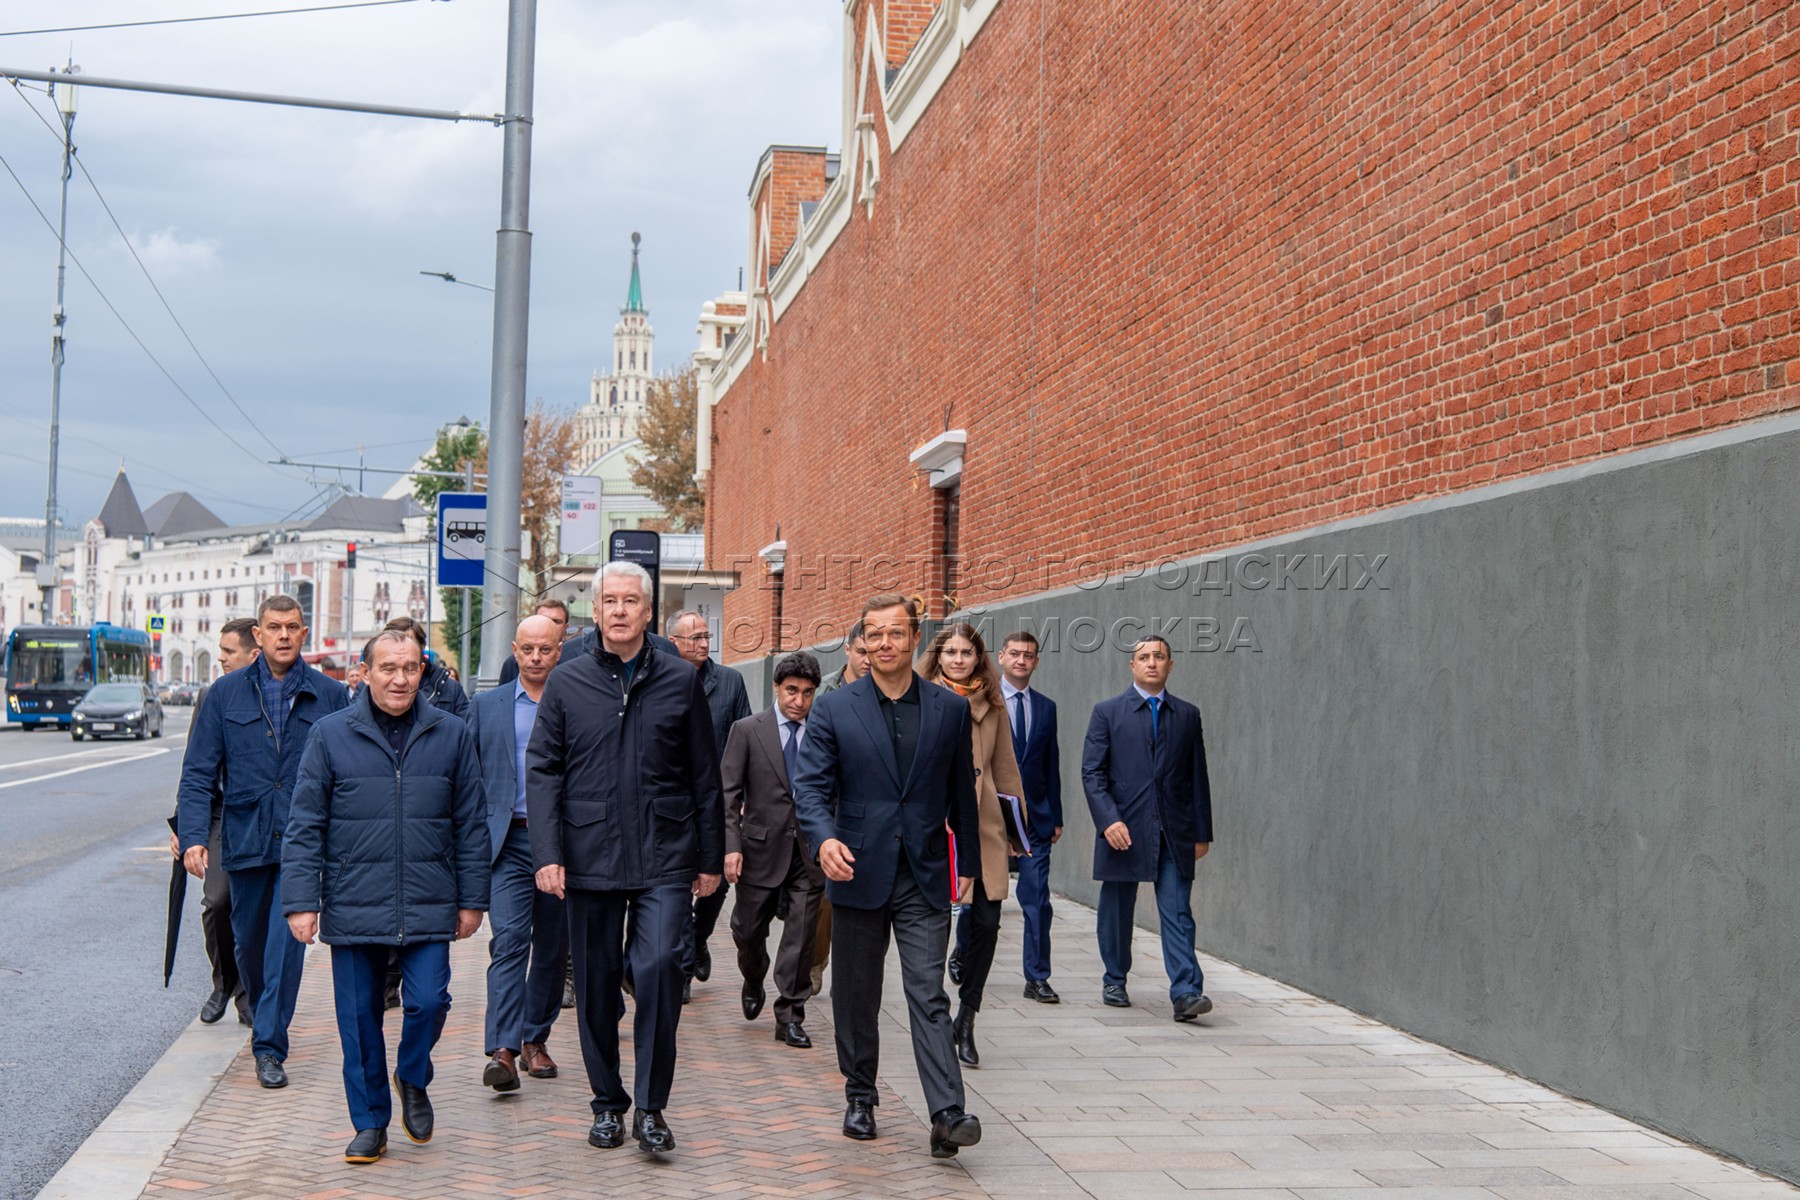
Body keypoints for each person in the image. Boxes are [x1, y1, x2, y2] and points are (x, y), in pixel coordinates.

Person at [526, 561, 724, 1155]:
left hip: (665, 850)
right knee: (595, 984)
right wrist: (547, 853)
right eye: (609, 600)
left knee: (662, 966)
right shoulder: (567, 681)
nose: (618, 610)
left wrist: (711, 856)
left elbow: (704, 776)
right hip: (589, 854)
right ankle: (608, 1103)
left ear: (647, 610)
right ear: (596, 609)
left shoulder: (679, 679)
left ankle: (652, 1108)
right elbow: (542, 770)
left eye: (629, 601)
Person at [282, 630, 488, 1164]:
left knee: (428, 1001)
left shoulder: (451, 733)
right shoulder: (330, 735)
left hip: (428, 895)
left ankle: (412, 1075)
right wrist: (302, 899)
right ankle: (370, 1123)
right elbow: (305, 823)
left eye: (410, 668)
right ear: (365, 672)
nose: (400, 679)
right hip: (353, 898)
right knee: (357, 1018)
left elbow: (470, 823)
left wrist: (473, 899)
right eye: (388, 668)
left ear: (424, 672)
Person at [792, 593, 984, 1159]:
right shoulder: (834, 708)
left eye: (894, 633)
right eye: (873, 634)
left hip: (924, 873)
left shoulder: (949, 710)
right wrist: (824, 838)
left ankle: (947, 1112)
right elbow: (810, 787)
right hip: (857, 869)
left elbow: (961, 799)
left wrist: (967, 867)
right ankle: (860, 1095)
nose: (883, 643)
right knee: (857, 994)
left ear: (915, 639)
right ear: (862, 643)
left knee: (928, 993)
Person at [177, 595, 350, 1089]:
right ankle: (256, 1007)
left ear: (303, 632)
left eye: (292, 627)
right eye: (273, 627)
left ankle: (269, 1046)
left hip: (303, 841)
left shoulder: (331, 696)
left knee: (285, 946)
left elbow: (349, 773)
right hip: (245, 838)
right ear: (259, 634)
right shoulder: (224, 695)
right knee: (249, 944)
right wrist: (192, 836)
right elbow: (198, 775)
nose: (283, 636)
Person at [1081, 634, 1215, 1020]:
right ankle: (1115, 978)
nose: (1152, 662)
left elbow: (1197, 777)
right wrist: (1108, 821)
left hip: (1174, 831)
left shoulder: (1187, 715)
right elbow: (1092, 773)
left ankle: (1187, 992)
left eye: (1159, 657)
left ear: (1171, 666)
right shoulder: (1107, 712)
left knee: (1177, 911)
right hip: (1123, 829)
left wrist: (1201, 832)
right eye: (1144, 657)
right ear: (1132, 666)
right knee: (1117, 909)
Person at [918, 623, 1024, 1070]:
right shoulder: (919, 700)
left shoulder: (993, 704)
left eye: (967, 653)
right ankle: (936, 1019)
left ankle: (967, 1017)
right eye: (951, 652)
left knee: (986, 924)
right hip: (935, 829)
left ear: (978, 659)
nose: (959, 659)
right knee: (934, 927)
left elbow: (1006, 768)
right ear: (938, 657)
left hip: (983, 830)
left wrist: (1018, 831)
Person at [473, 614, 571, 1090]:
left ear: (560, 649)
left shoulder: (577, 702)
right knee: (509, 941)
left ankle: (535, 1040)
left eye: (545, 650)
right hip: (506, 841)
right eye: (527, 649)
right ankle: (504, 1050)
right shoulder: (485, 707)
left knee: (553, 949)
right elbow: (468, 780)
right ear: (514, 649)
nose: (535, 659)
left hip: (563, 842)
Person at [722, 651, 826, 1049]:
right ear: (777, 688)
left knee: (800, 937)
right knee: (747, 931)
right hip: (759, 847)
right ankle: (753, 976)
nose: (799, 701)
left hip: (809, 850)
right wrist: (731, 847)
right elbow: (729, 794)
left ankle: (790, 1014)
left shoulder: (822, 730)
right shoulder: (748, 730)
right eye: (792, 691)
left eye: (807, 693)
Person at [166, 617, 260, 1026]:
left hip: (263, 817)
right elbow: (196, 769)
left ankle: (247, 995)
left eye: (228, 652)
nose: (220, 658)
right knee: (218, 901)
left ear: (253, 655)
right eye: (219, 650)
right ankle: (223, 983)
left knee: (255, 912)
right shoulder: (210, 696)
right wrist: (185, 830)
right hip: (222, 816)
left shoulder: (277, 697)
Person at [666, 608, 751, 994]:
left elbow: (748, 742)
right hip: (671, 803)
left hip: (719, 803)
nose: (703, 643)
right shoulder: (661, 681)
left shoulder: (730, 683)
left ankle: (699, 939)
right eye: (695, 638)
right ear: (674, 643)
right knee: (679, 886)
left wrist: (745, 797)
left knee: (717, 885)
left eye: (705, 637)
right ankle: (682, 969)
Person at [998, 631, 1062, 1002]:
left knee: (1037, 899)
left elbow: (1050, 762)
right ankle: (963, 952)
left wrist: (1056, 814)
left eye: (1029, 655)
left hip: (1036, 819)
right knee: (983, 900)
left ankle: (1037, 977)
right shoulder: (984, 703)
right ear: (1002, 658)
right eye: (1015, 654)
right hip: (994, 817)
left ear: (1036, 662)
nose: (1021, 660)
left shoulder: (1047, 707)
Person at [808, 620, 867, 995]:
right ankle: (816, 961)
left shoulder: (889, 691)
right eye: (862, 651)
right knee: (824, 897)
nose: (868, 659)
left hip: (867, 808)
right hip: (829, 807)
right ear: (847, 650)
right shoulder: (825, 693)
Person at [381, 617, 469, 722]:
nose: (401, 649)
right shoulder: (370, 687)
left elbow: (465, 733)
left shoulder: (451, 689)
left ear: (422, 646)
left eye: (407, 642)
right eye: (394, 643)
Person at [497, 597, 572, 687]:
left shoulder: (575, 661)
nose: (549, 624)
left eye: (556, 621)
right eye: (543, 619)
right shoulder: (513, 663)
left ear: (566, 627)